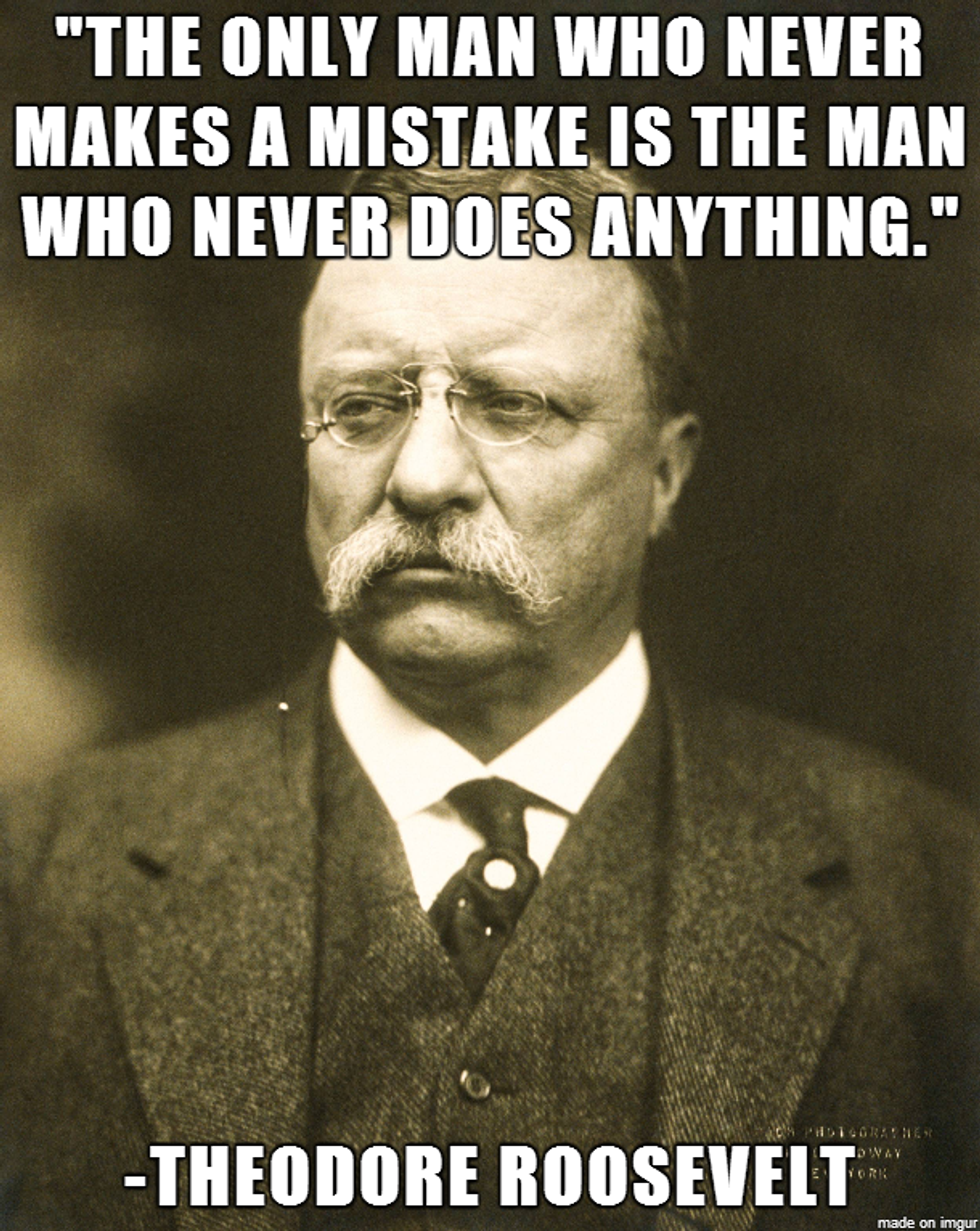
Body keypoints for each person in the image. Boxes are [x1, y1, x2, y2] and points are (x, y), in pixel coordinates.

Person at [1, 159, 977, 1231]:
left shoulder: (931, 894)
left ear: (665, 473)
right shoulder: (38, 881)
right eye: (359, 407)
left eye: (514, 405)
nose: (422, 477)